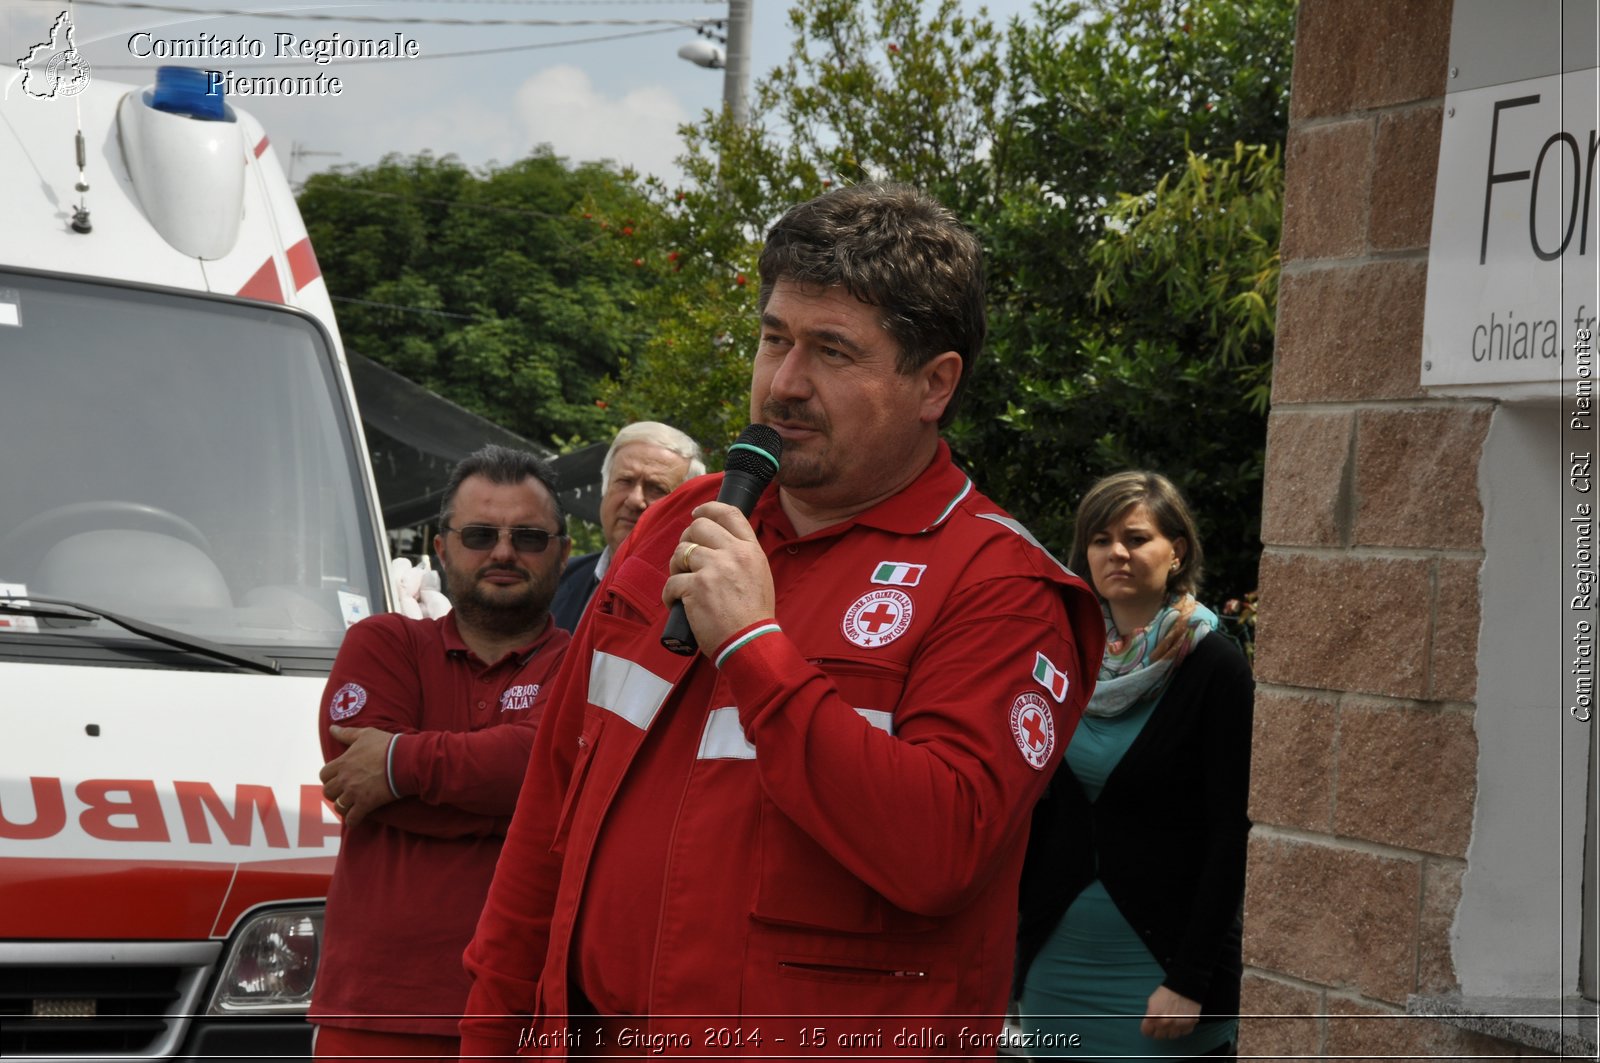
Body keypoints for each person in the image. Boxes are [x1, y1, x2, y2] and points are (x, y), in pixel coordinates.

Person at [459, 183, 1105, 1058]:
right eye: (774, 339)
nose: (785, 383)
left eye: (832, 351)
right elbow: (549, 813)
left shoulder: (1000, 584)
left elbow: (940, 850)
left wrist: (756, 649)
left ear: (934, 383)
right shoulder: (676, 523)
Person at [308, 445, 573, 1062]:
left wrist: (401, 766)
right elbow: (354, 780)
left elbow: (549, 774)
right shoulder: (382, 643)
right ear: (440, 547)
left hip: (530, 1015)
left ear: (562, 552)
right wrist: (515, 798)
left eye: (528, 537)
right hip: (376, 1010)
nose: (503, 552)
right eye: (480, 534)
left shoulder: (589, 663)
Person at [1015, 470, 1254, 1060]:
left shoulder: (1215, 667)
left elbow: (1232, 835)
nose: (1116, 552)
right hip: (1054, 964)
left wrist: (1190, 979)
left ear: (1177, 552)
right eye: (1099, 538)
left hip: (1163, 974)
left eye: (1136, 537)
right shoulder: (1058, 657)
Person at [551, 422, 705, 633]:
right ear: (605, 488)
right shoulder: (557, 578)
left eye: (656, 488)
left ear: (684, 509)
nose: (635, 500)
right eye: (625, 481)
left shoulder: (690, 610)